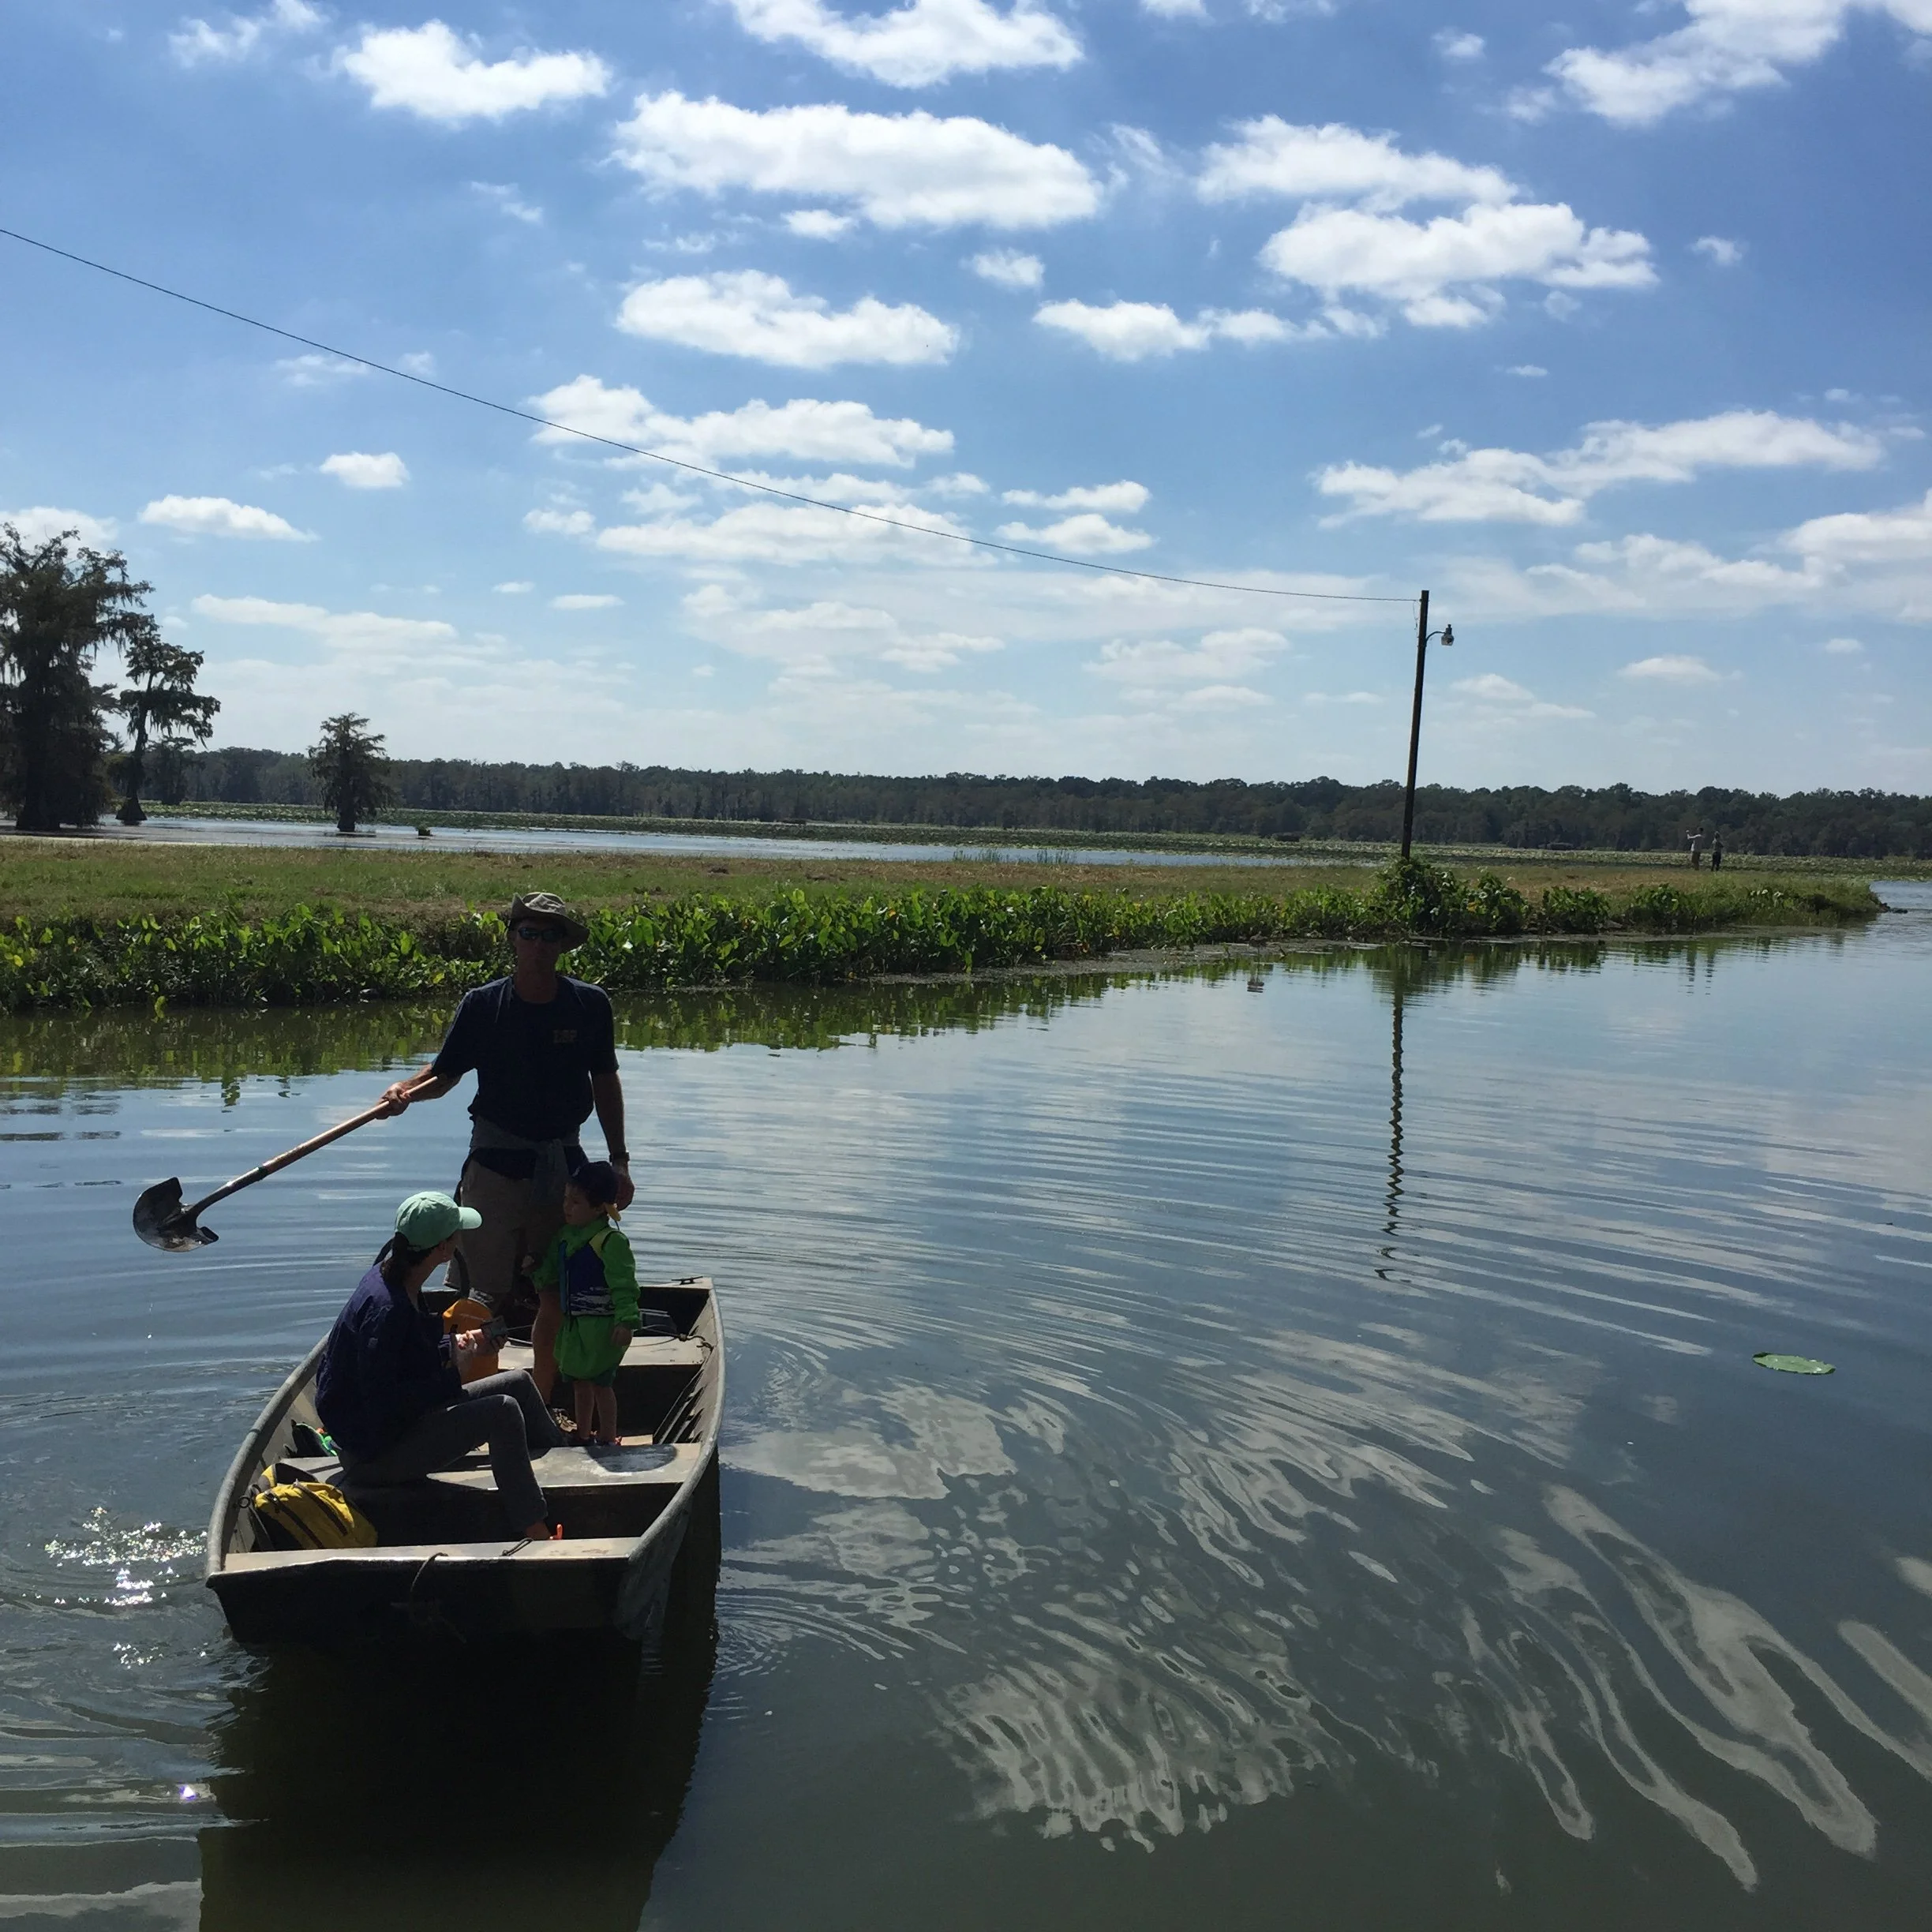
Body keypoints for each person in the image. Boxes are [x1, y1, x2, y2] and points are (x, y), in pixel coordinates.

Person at [380, 891, 635, 1402]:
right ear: (513, 939)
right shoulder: (484, 1005)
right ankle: (473, 1402)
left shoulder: (589, 1004)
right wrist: (404, 1092)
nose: (538, 945)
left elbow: (605, 1080)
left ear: (562, 944)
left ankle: (543, 1401)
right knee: (484, 1294)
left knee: (556, 1293)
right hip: (494, 1168)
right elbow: (444, 1073)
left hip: (564, 1170)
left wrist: (619, 1161)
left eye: (549, 935)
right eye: (528, 933)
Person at [316, 1190, 566, 1540]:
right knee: (503, 1411)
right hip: (373, 1457)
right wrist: (453, 1375)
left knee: (519, 1383)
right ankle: (534, 1528)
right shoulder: (389, 1310)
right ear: (444, 1248)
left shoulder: (392, 1279)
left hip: (385, 1433)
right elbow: (385, 1405)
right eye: (456, 1234)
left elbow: (403, 1360)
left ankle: (568, 1461)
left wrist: (459, 1344)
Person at [529, 1162, 638, 1447]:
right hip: (573, 1324)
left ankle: (608, 1436)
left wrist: (626, 1321)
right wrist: (535, 1273)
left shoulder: (611, 1242)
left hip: (602, 1328)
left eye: (576, 1202)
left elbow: (624, 1285)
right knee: (579, 1381)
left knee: (601, 1382)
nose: (567, 1207)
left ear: (600, 1208)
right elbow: (551, 1269)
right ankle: (583, 1433)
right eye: (566, 1199)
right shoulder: (565, 1237)